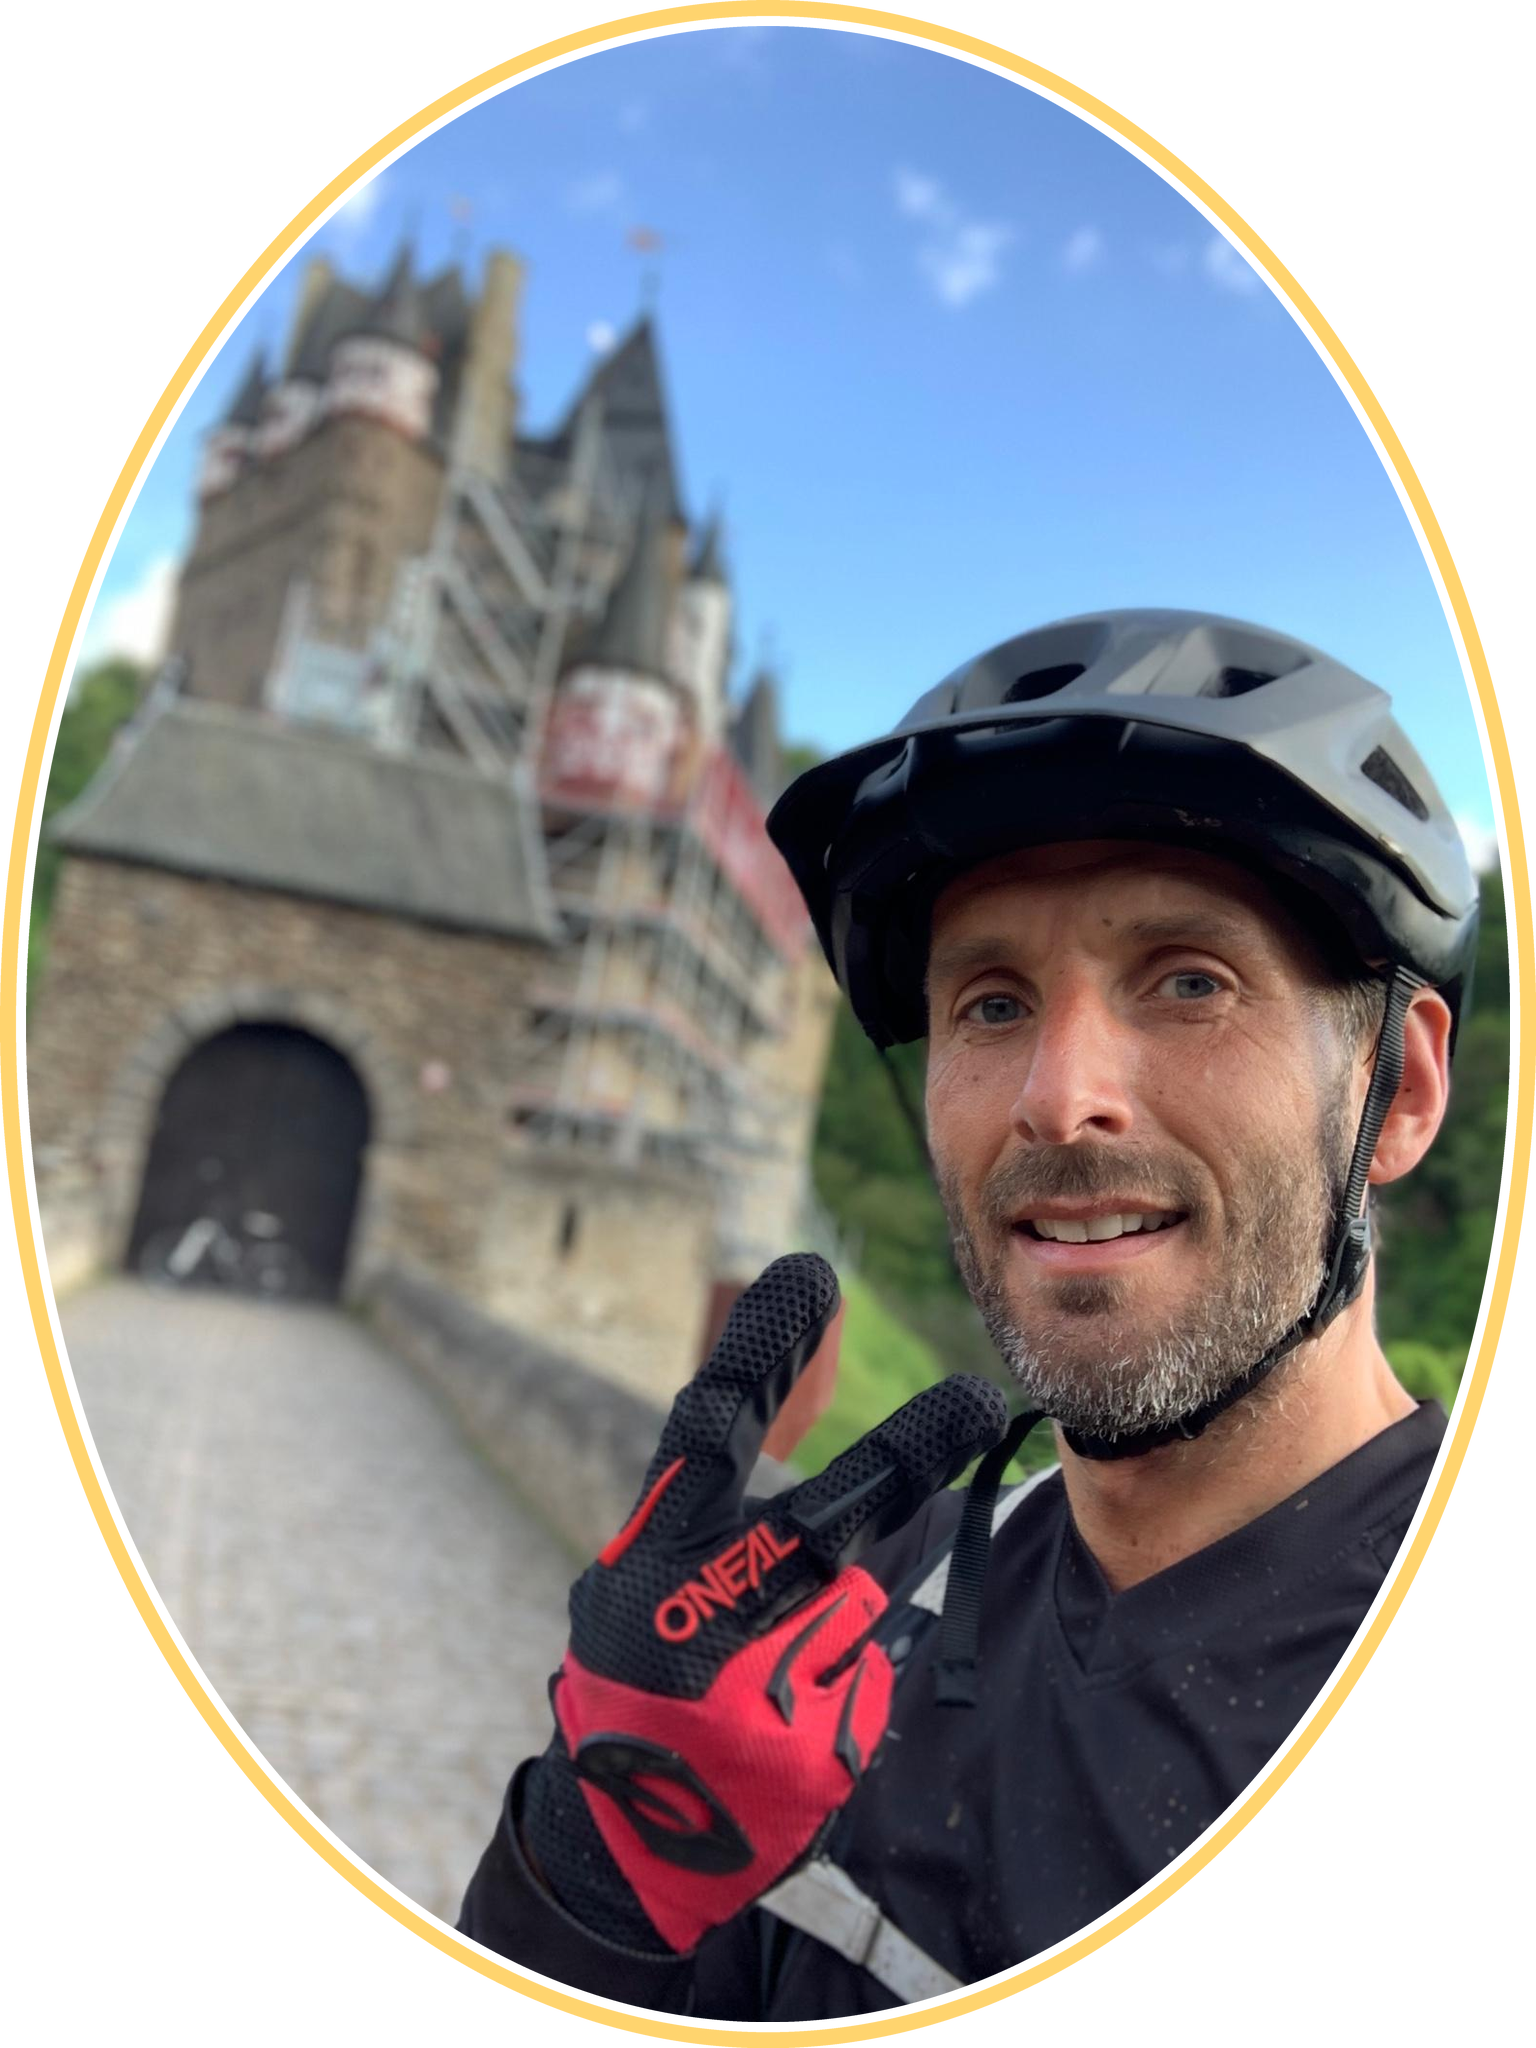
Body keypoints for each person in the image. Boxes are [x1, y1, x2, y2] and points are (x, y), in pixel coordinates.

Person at [457, 609, 1478, 2018]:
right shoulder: (862, 1614)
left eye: (1191, 980)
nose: (1058, 1099)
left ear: (1398, 1092)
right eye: (991, 1005)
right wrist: (585, 1884)